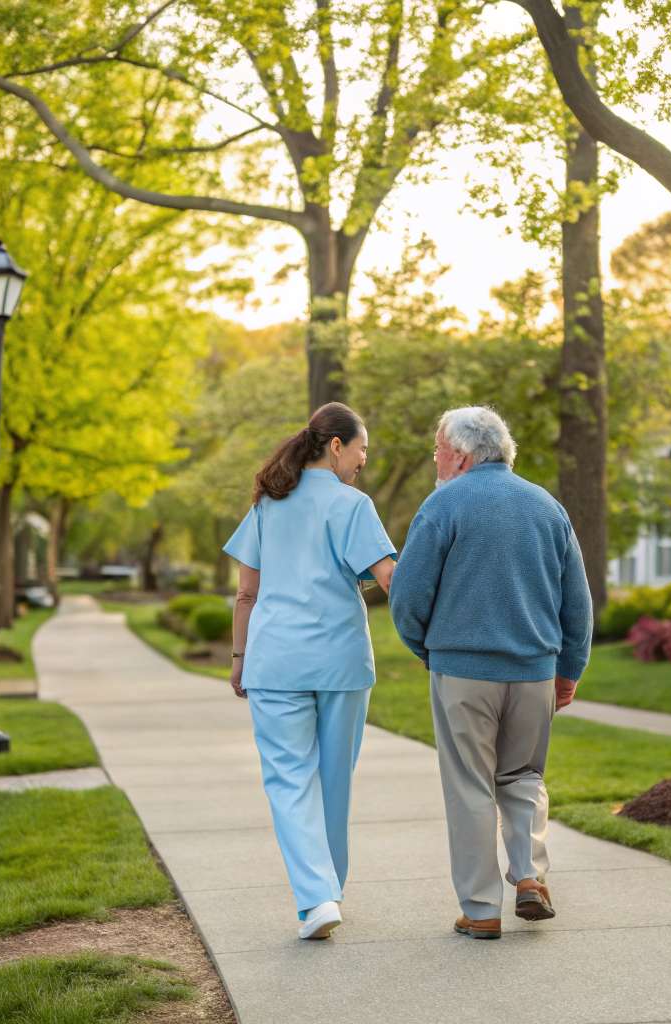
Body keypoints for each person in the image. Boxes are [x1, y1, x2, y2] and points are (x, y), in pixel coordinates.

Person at [389, 406, 593, 939]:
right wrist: (568, 668)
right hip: (534, 674)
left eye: (437, 449)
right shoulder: (548, 507)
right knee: (524, 777)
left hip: (462, 671)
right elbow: (578, 604)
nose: (435, 459)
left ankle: (481, 910)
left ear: (459, 454)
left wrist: (426, 648)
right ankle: (529, 877)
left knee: (471, 787)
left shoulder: (443, 505)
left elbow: (408, 596)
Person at [223, 402, 397, 940]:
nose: (366, 458)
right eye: (363, 447)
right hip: (341, 662)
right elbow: (391, 578)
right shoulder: (354, 506)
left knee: (289, 780)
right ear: (338, 446)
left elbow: (247, 592)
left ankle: (317, 897)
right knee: (334, 780)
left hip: (275, 661)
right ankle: (329, 891)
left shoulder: (267, 505)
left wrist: (240, 658)